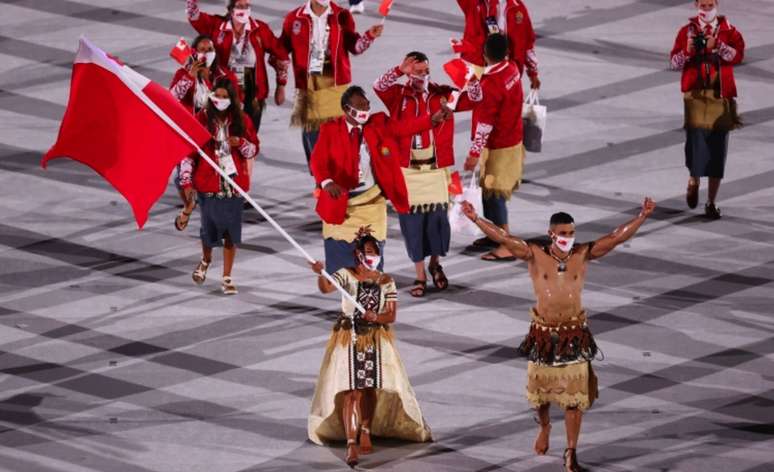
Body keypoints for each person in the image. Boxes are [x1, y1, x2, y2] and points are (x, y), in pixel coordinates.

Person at [461, 197, 656, 472]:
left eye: (572, 232)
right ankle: (544, 427)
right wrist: (475, 219)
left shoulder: (582, 254)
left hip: (574, 335)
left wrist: (642, 216)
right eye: (563, 233)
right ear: (551, 233)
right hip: (544, 335)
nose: (568, 238)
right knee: (540, 396)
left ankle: (571, 452)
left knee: (575, 399)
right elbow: (503, 237)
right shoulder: (534, 254)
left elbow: (615, 237)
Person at [307, 227, 432, 468]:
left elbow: (391, 316)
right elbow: (326, 288)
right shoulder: (346, 275)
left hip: (374, 340)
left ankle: (365, 428)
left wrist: (376, 317)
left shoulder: (386, 281)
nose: (373, 256)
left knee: (368, 388)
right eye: (368, 251)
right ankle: (351, 442)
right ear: (358, 254)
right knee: (351, 390)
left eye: (376, 252)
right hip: (350, 339)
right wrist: (321, 274)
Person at [373, 51, 482, 297]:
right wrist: (398, 70)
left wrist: (472, 79)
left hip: (436, 169)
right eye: (417, 71)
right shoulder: (397, 96)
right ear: (408, 72)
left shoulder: (443, 95)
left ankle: (435, 264)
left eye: (425, 71)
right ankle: (420, 274)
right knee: (412, 225)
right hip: (408, 170)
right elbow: (378, 86)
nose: (422, 76)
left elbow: (476, 100)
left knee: (437, 223)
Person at [311, 86, 450, 276]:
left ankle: (374, 292)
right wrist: (326, 182)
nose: (365, 110)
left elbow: (404, 127)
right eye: (360, 106)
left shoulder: (378, 122)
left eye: (367, 105)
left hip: (372, 202)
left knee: (373, 262)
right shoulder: (330, 129)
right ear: (346, 109)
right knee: (340, 271)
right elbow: (317, 160)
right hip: (341, 205)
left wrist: (431, 120)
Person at [179, 78, 259, 295]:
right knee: (209, 232)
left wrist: (241, 143)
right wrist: (186, 182)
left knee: (231, 233)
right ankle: (206, 260)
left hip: (233, 184)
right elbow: (188, 154)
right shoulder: (201, 120)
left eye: (225, 97)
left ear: (232, 99)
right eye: (217, 96)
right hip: (208, 184)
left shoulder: (242, 120)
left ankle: (227, 276)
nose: (220, 100)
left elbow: (254, 150)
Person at [281, 0, 383, 169]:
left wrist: (368, 37)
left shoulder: (342, 15)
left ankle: (333, 169)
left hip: (335, 81)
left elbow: (355, 47)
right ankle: (319, 172)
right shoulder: (294, 18)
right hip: (307, 82)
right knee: (311, 130)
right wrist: (280, 79)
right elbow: (281, 50)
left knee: (337, 129)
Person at [670, 0, 744, 219]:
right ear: (696, 5)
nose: (707, 9)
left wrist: (719, 45)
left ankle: (711, 202)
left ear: (717, 4)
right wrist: (687, 52)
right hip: (695, 96)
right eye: (703, 5)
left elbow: (738, 56)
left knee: (718, 150)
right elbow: (674, 63)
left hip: (720, 96)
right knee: (695, 143)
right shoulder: (686, 31)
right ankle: (693, 179)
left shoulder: (730, 31)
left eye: (710, 4)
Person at [463, 33, 525, 262]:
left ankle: (506, 245)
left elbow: (485, 124)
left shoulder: (491, 84)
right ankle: (493, 236)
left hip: (499, 146)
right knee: (489, 194)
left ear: (484, 54)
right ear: (506, 53)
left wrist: (473, 154)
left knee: (495, 195)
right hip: (512, 138)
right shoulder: (512, 68)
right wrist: (473, 82)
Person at [169, 35, 242, 232]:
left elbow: (235, 103)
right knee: (184, 179)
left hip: (217, 136)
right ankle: (189, 207)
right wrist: (189, 77)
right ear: (194, 53)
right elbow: (171, 98)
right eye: (201, 50)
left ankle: (211, 222)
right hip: (189, 137)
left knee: (217, 178)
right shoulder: (183, 73)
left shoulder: (222, 77)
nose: (206, 53)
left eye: (209, 49)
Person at [186, 0, 289, 133]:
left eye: (247, 6)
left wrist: (281, 85)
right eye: (240, 6)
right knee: (222, 131)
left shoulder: (260, 29)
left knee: (249, 132)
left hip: (252, 90)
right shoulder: (217, 25)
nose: (244, 9)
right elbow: (194, 17)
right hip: (224, 86)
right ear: (230, 9)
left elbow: (282, 56)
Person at [455, 0, 540, 89]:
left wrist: (533, 73)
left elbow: (528, 43)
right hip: (479, 70)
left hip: (510, 76)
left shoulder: (519, 8)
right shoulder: (477, 4)